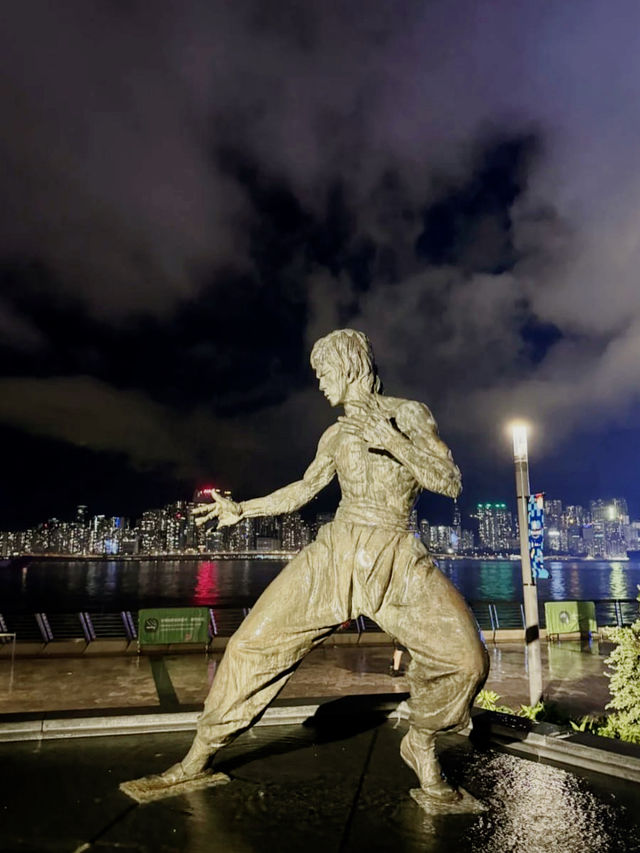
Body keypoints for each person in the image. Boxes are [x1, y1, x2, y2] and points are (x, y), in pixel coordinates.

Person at [133, 329, 488, 804]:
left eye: (323, 372)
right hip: (335, 553)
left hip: (396, 555)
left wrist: (394, 442)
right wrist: (243, 511)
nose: (320, 385)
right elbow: (302, 491)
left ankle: (421, 742)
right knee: (249, 646)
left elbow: (450, 481)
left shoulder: (408, 414)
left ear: (349, 365)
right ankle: (196, 757)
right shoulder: (336, 435)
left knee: (466, 662)